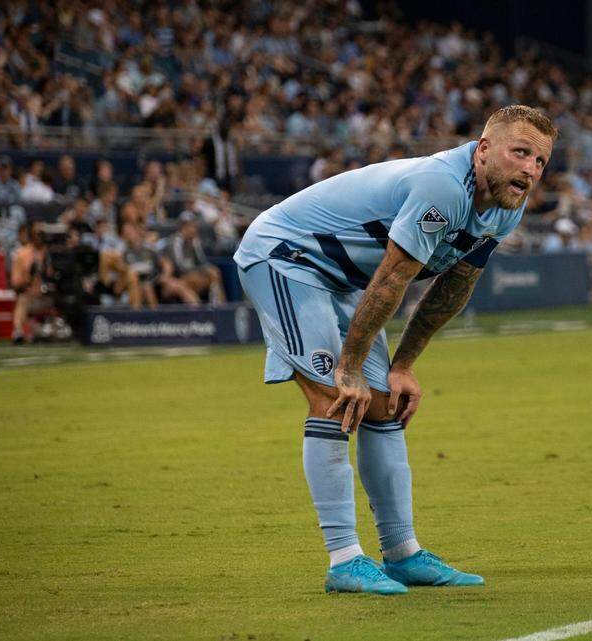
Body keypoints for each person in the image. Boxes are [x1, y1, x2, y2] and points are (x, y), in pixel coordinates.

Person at [233, 105, 557, 595]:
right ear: (484, 150)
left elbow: (455, 287)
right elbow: (391, 281)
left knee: (383, 405)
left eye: (540, 161)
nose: (531, 170)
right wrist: (347, 368)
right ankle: (344, 560)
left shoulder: (506, 207)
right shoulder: (443, 188)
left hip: (344, 282)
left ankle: (402, 554)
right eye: (521, 153)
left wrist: (402, 365)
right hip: (287, 257)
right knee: (335, 398)